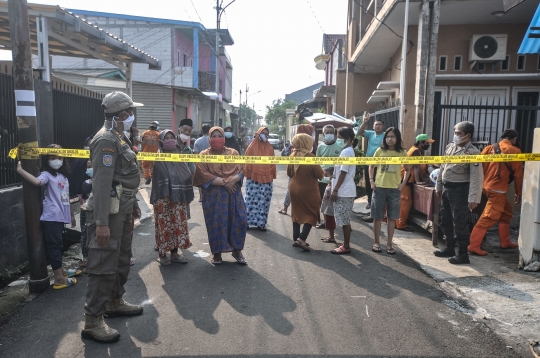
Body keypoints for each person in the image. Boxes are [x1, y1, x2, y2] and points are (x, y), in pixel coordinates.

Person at [82, 91, 143, 343]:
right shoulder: (106, 140)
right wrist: (102, 223)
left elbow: (125, 176)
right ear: (122, 115)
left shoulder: (120, 137)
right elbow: (102, 181)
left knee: (121, 257)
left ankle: (114, 302)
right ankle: (93, 319)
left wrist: (135, 203)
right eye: (130, 112)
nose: (133, 116)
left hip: (124, 206)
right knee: (103, 262)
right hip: (109, 212)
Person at [16, 144, 79, 289]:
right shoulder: (47, 175)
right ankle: (59, 279)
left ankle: (61, 272)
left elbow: (66, 197)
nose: (56, 160)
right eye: (52, 157)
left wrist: (71, 215)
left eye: (59, 157)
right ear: (47, 159)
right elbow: (37, 182)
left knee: (58, 245)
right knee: (54, 246)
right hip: (51, 216)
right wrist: (20, 170)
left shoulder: (63, 176)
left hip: (61, 216)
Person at [193, 126, 248, 265]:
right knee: (216, 223)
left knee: (239, 221)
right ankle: (217, 254)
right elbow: (202, 173)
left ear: (224, 138)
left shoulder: (233, 153)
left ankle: (237, 251)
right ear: (209, 138)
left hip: (233, 194)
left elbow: (242, 169)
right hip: (214, 197)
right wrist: (224, 183)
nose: (217, 139)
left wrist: (233, 180)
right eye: (214, 136)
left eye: (220, 136)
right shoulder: (204, 155)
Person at [434, 121, 483, 265]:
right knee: (446, 219)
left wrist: (474, 197)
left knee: (459, 222)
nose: (455, 135)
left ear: (467, 136)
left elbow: (476, 177)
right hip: (447, 189)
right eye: (455, 133)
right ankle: (449, 247)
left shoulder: (473, 152)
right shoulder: (450, 147)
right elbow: (443, 167)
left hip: (460, 190)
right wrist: (438, 185)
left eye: (458, 133)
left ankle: (462, 253)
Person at [468, 129, 523, 256]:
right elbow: (518, 176)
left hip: (486, 187)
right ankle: (473, 245)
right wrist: (518, 192)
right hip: (498, 189)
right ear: (514, 139)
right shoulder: (515, 151)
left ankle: (505, 242)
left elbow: (478, 166)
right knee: (489, 217)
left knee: (506, 212)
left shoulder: (489, 148)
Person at [151, 130, 194, 265]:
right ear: (161, 141)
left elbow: (186, 174)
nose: (170, 140)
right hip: (163, 199)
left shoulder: (178, 156)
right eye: (167, 138)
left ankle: (175, 253)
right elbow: (162, 176)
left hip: (177, 199)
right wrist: (176, 179)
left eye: (172, 137)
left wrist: (179, 180)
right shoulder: (158, 158)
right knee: (164, 226)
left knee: (176, 225)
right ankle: (162, 255)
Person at [368, 127, 411, 255]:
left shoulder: (402, 153)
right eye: (388, 137)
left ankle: (389, 244)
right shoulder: (380, 151)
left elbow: (408, 169)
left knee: (392, 218)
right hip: (379, 187)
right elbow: (371, 166)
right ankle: (376, 242)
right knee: (377, 217)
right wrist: (371, 180)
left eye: (392, 136)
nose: (390, 139)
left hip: (394, 190)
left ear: (397, 138)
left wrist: (403, 184)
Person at [287, 133, 324, 251]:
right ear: (306, 143)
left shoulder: (292, 155)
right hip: (308, 190)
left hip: (294, 189)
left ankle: (296, 238)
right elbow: (320, 175)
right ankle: (302, 238)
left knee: (296, 212)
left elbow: (289, 173)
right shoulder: (311, 157)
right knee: (312, 212)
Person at [396, 134, 435, 232]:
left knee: (404, 202)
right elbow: (416, 167)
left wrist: (422, 179)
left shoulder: (418, 151)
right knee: (405, 202)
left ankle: (399, 222)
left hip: (407, 179)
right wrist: (418, 182)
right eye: (427, 143)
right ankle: (401, 224)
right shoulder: (415, 151)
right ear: (421, 143)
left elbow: (419, 167)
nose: (428, 145)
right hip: (405, 180)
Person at [330, 127, 359, 255]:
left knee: (344, 221)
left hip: (344, 191)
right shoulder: (346, 150)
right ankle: (345, 243)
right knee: (344, 219)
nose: (337, 139)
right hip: (344, 190)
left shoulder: (347, 152)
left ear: (347, 139)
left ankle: (346, 246)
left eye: (339, 137)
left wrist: (335, 189)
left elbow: (343, 172)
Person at [244, 127, 276, 231]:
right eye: (263, 133)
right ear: (258, 134)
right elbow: (246, 162)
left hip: (267, 181)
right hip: (253, 179)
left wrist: (271, 175)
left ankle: (261, 224)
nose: (265, 135)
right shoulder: (251, 147)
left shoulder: (270, 148)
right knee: (250, 201)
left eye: (267, 133)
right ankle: (247, 223)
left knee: (264, 201)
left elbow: (272, 164)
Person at [278, 124, 315, 215]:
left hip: (296, 171)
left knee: (291, 189)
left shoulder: (297, 142)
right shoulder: (311, 143)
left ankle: (286, 208)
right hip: (306, 172)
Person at [315, 124, 343, 229]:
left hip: (336, 179)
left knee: (338, 202)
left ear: (335, 134)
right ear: (323, 134)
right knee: (324, 202)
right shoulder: (320, 146)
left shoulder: (340, 146)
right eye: (327, 132)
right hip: (322, 179)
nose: (329, 134)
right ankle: (325, 222)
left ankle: (342, 223)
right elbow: (317, 162)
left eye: (331, 132)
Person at [358, 113, 385, 212]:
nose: (377, 126)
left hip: (381, 164)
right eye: (376, 124)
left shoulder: (386, 135)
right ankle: (370, 201)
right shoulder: (370, 133)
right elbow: (360, 132)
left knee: (379, 184)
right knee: (369, 183)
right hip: (369, 162)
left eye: (379, 125)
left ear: (383, 126)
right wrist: (365, 123)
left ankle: (378, 201)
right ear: (373, 126)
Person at [80, 160, 93, 268]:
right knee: (84, 234)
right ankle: (86, 257)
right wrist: (84, 205)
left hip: (95, 211)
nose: (89, 169)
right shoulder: (85, 183)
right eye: (88, 166)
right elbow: (84, 198)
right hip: (85, 211)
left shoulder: (102, 183)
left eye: (91, 166)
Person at [193, 124, 211, 202]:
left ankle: (201, 197)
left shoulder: (197, 141)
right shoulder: (212, 140)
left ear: (202, 131)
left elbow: (196, 153)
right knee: (210, 180)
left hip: (200, 164)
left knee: (201, 181)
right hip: (211, 164)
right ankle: (209, 196)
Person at [320, 167, 337, 243]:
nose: (324, 177)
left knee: (330, 222)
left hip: (330, 208)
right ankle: (330, 236)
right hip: (327, 207)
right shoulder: (330, 184)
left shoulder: (333, 186)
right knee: (328, 221)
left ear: (331, 175)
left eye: (326, 175)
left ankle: (332, 238)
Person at [141, 121, 160, 185]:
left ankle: (147, 177)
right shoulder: (158, 134)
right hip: (155, 154)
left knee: (146, 166)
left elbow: (142, 142)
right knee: (154, 167)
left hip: (146, 153)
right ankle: (154, 178)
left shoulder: (144, 133)